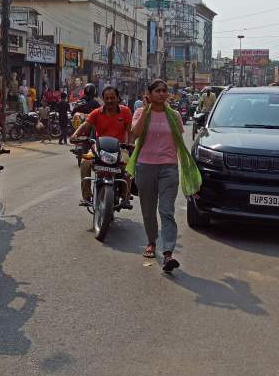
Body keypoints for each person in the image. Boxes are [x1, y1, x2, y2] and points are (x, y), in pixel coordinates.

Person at [127, 79, 201, 274]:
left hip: (168, 168)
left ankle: (168, 253)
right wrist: (146, 109)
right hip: (145, 166)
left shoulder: (174, 116)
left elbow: (177, 141)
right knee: (148, 210)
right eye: (157, 91)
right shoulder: (140, 113)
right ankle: (151, 242)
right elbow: (135, 134)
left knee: (166, 210)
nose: (161, 94)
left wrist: (172, 160)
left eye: (164, 91)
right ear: (149, 94)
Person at [71, 86, 133, 206]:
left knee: (128, 166)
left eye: (112, 98)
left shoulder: (125, 111)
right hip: (98, 148)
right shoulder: (96, 112)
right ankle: (87, 196)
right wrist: (75, 135)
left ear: (117, 98)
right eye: (107, 98)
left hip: (120, 148)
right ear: (103, 99)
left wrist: (130, 144)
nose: (110, 101)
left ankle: (126, 196)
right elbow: (85, 125)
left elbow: (130, 130)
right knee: (85, 162)